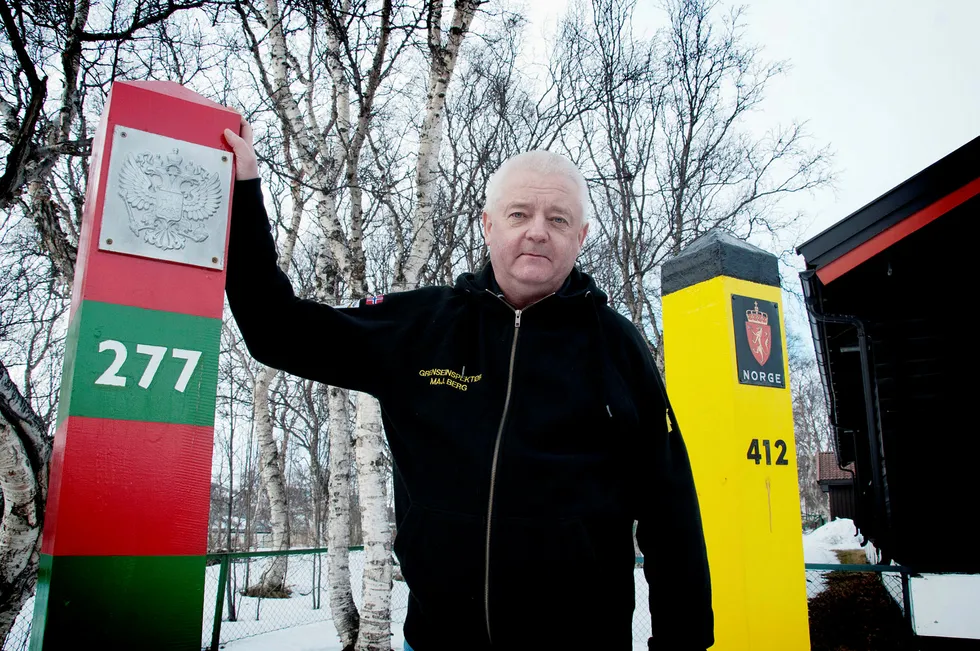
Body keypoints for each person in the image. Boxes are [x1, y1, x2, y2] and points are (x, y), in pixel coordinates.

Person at [222, 120, 713, 650]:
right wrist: (244, 191)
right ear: (488, 224)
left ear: (581, 235)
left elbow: (671, 513)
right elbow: (276, 331)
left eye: (558, 218)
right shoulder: (422, 327)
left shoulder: (617, 347)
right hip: (437, 640)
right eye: (519, 214)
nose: (537, 230)